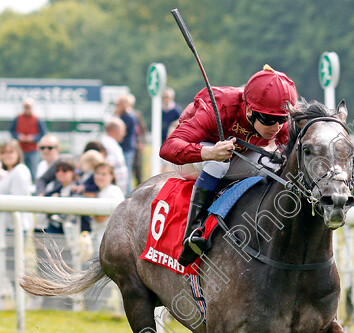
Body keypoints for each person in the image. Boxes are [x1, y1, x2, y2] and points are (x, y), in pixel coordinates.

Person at [160, 65, 297, 266]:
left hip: (235, 154)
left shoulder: (275, 115)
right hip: (193, 157)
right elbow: (168, 148)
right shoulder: (217, 107)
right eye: (269, 120)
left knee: (275, 167)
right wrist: (209, 152)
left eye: (282, 120)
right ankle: (194, 233)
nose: (277, 128)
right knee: (220, 162)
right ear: (250, 110)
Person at [0, 139, 33, 232]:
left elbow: (16, 200)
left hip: (16, 226)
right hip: (7, 225)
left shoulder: (20, 171)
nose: (7, 155)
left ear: (18, 153)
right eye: (4, 152)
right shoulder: (8, 173)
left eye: (11, 152)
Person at [89, 161, 125, 253]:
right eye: (97, 173)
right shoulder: (102, 191)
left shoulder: (112, 191)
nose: (100, 177)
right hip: (102, 238)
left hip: (108, 239)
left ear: (111, 176)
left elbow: (100, 219)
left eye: (104, 174)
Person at [10, 98, 47, 174]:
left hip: (33, 150)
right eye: (25, 107)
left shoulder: (37, 119)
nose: (27, 109)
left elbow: (43, 134)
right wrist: (18, 136)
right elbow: (12, 131)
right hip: (20, 149)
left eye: (29, 107)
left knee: (33, 171)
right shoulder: (18, 118)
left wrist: (33, 138)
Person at [42, 159, 80, 234]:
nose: (60, 173)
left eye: (64, 170)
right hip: (58, 228)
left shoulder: (78, 187)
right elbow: (45, 196)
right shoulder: (58, 188)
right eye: (57, 171)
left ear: (72, 172)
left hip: (73, 229)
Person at [100, 117, 129, 193]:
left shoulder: (110, 144)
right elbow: (108, 167)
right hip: (111, 192)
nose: (124, 133)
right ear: (116, 130)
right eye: (123, 130)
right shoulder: (108, 145)